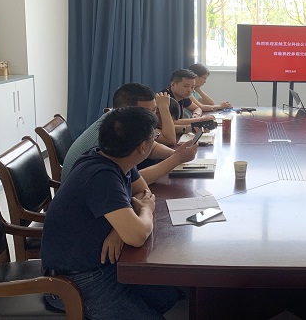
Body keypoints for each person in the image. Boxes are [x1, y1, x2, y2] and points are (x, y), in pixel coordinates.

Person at [42, 107, 183, 320]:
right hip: (76, 280)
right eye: (154, 137)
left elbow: (142, 191)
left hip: (101, 265)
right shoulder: (102, 176)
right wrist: (145, 210)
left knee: (167, 297)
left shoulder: (114, 158)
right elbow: (137, 235)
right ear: (143, 147)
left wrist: (119, 230)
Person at [61, 83, 197, 183]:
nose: (153, 117)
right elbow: (129, 181)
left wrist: (176, 154)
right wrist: (176, 159)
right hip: (84, 192)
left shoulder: (120, 122)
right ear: (127, 110)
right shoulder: (112, 134)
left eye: (154, 110)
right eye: (147, 112)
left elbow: (151, 147)